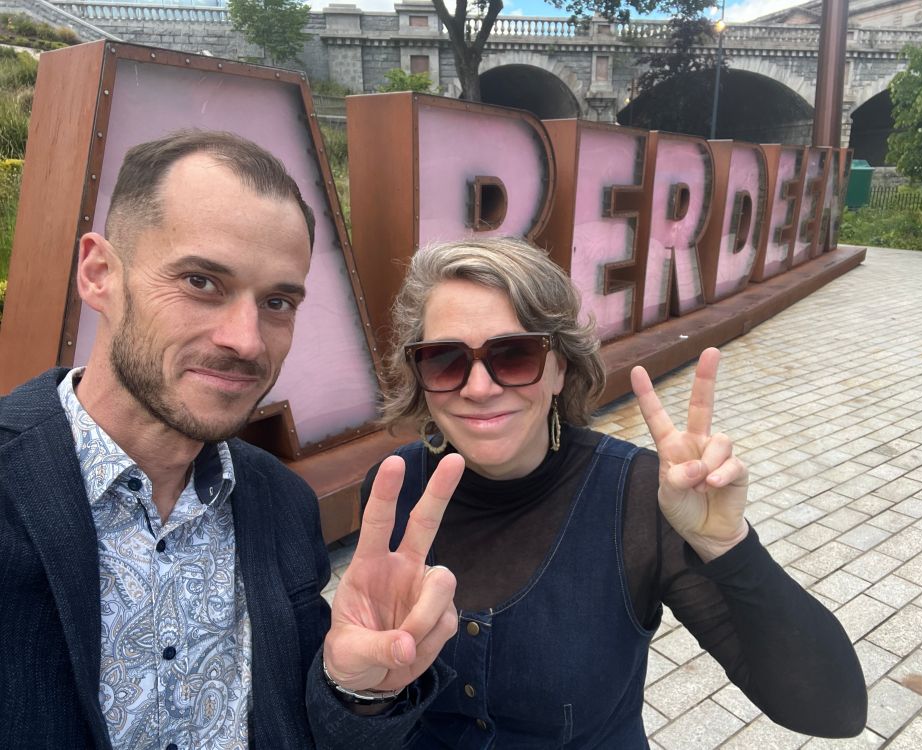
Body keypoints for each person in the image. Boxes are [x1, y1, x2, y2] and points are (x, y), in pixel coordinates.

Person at [0, 130, 466, 749]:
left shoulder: (280, 502)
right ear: (99, 274)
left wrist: (357, 692)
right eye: (201, 282)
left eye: (277, 301)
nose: (247, 340)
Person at [367, 236, 868, 748]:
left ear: (561, 367)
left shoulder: (637, 499)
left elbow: (833, 710)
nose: (478, 387)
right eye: (444, 360)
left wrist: (728, 547)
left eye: (514, 355)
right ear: (420, 375)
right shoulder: (393, 491)